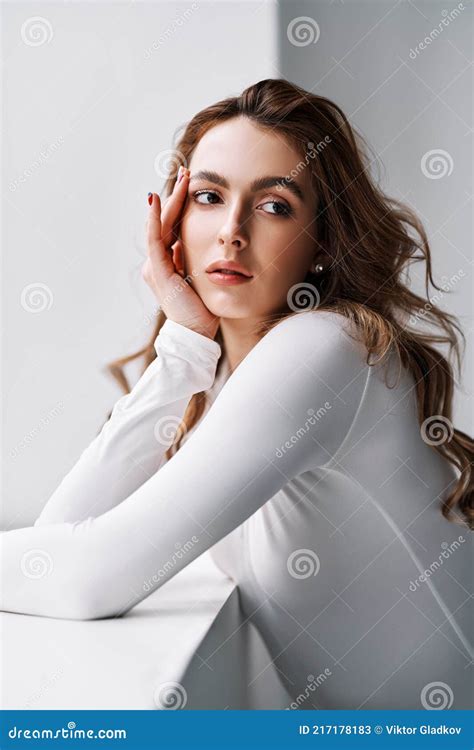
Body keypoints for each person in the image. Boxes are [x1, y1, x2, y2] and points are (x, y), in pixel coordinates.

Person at [1, 79, 472, 710]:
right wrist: (184, 347)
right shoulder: (220, 375)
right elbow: (61, 543)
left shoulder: (325, 347)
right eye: (208, 197)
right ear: (171, 220)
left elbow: (86, 579)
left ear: (324, 241)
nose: (231, 231)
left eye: (274, 205)